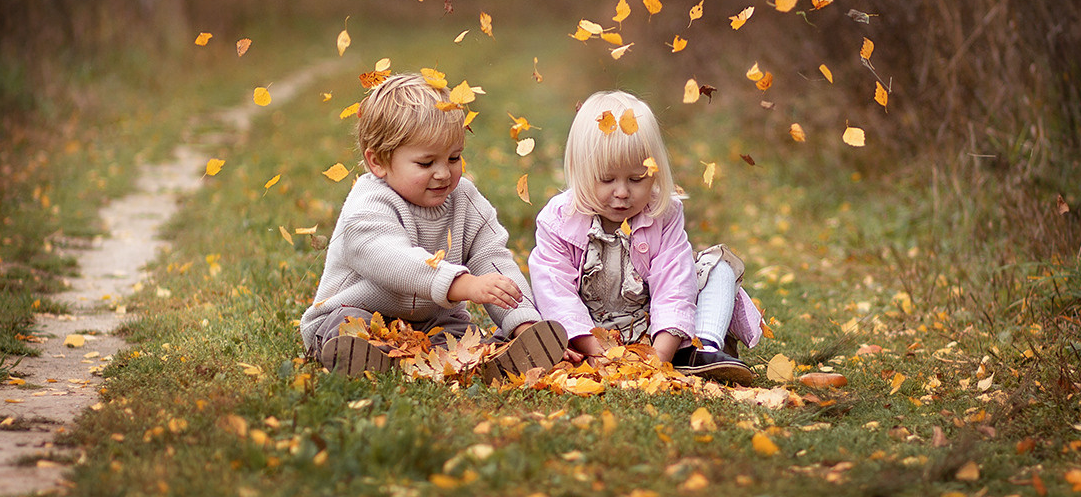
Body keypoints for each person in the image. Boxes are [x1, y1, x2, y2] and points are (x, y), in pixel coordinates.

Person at [300, 72, 567, 380]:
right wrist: (461, 285)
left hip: (430, 324)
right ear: (378, 162)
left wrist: (523, 321)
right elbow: (392, 259)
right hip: (361, 314)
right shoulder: (367, 204)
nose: (443, 173)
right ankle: (364, 356)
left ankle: (493, 356)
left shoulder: (464, 199)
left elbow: (493, 259)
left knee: (462, 335)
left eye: (454, 158)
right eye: (426, 164)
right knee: (348, 325)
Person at [528, 90, 763, 385]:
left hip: (654, 332)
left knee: (719, 269)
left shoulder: (662, 214)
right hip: (589, 332)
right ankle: (554, 349)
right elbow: (555, 289)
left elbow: (674, 283)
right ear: (580, 171)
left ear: (655, 172)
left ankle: (702, 350)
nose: (623, 192)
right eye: (607, 179)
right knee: (529, 290)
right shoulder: (560, 220)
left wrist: (659, 357)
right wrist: (591, 345)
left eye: (637, 179)